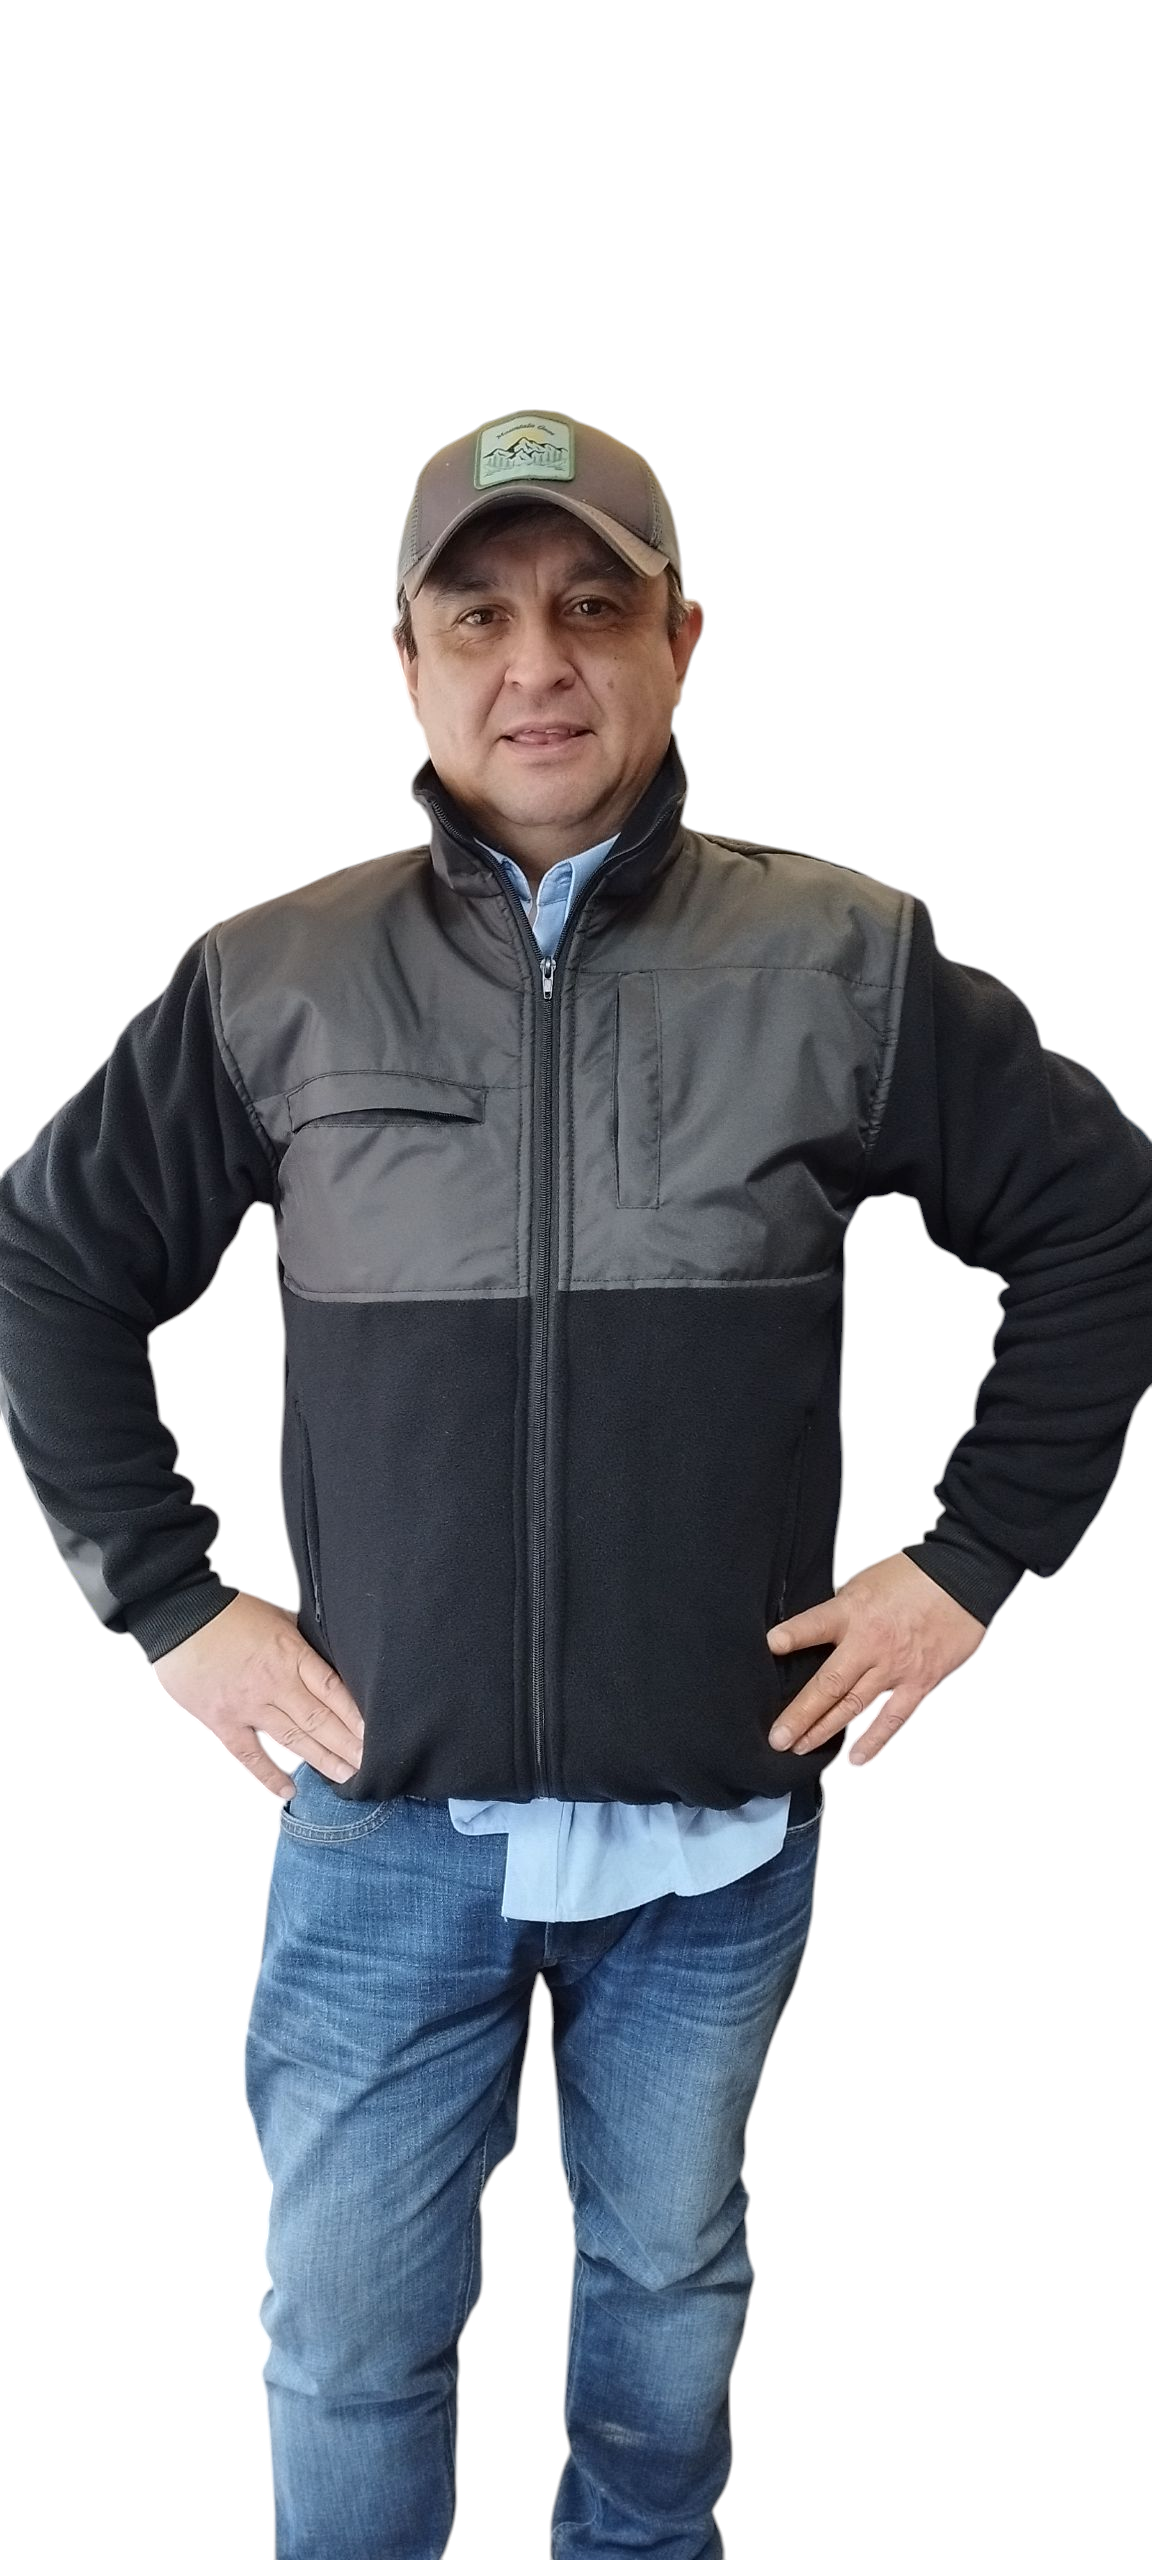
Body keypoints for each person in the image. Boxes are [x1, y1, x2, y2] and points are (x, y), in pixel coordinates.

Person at [1, 405, 1150, 2559]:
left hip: (713, 1834)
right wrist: (169, 1599)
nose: (538, 663)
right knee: (349, 2335)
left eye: (594, 609)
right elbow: (47, 1262)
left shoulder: (840, 960)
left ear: (680, 640)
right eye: (481, 618)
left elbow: (1108, 1221)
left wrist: (977, 1556)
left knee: (665, 2289)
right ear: (409, 661)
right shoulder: (277, 977)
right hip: (385, 1828)